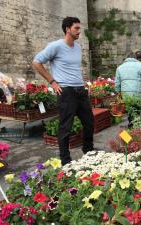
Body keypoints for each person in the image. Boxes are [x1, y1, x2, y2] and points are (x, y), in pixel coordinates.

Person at [32, 17, 94, 165]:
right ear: (67, 29)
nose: (79, 31)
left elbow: (73, 68)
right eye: (76, 28)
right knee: (66, 127)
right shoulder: (56, 46)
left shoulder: (78, 48)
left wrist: (82, 82)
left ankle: (88, 150)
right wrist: (52, 82)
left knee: (89, 122)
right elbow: (36, 62)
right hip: (66, 92)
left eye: (79, 28)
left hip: (80, 90)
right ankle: (65, 159)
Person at [115, 51, 141, 128]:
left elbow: (117, 83)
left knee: (130, 111)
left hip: (126, 95)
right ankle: (137, 128)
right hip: (138, 93)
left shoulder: (120, 67)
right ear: (135, 58)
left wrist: (118, 92)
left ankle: (131, 126)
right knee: (138, 110)